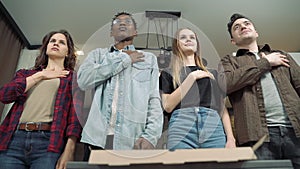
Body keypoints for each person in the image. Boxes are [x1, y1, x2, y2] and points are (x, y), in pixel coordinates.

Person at [218, 13, 300, 168]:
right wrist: (266, 62)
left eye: (247, 24)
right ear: (233, 40)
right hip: (256, 136)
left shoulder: (282, 55)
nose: (243, 26)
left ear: (256, 32)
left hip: (295, 131)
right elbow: (226, 84)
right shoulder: (229, 61)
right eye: (237, 27)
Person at [77, 12, 163, 159]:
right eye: (118, 22)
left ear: (135, 32)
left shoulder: (148, 59)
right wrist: (124, 59)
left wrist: (151, 135)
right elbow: (83, 81)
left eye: (128, 22)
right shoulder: (97, 55)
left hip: (132, 140)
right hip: (97, 139)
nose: (122, 24)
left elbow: (154, 98)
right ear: (111, 32)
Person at [0, 30, 83, 169]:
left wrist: (70, 150)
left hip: (48, 143)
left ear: (68, 52)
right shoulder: (25, 74)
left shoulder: (73, 79)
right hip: (13, 140)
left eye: (61, 42)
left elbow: (75, 118)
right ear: (46, 48)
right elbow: (5, 95)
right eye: (52, 41)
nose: (56, 43)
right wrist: (40, 75)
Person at [159, 28, 236, 150]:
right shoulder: (168, 73)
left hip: (212, 125)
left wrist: (231, 138)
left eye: (192, 37)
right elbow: (168, 106)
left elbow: (222, 108)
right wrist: (192, 77)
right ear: (176, 45)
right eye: (183, 37)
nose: (188, 39)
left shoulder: (212, 74)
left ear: (197, 45)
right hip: (181, 125)